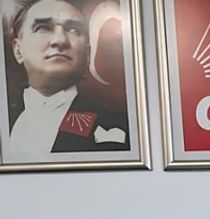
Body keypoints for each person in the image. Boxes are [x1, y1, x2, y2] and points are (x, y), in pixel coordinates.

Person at [6, 0, 129, 161]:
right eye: (43, 28)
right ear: (18, 50)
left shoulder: (115, 123)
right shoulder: (7, 118)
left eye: (73, 30)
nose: (60, 40)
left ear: (87, 54)